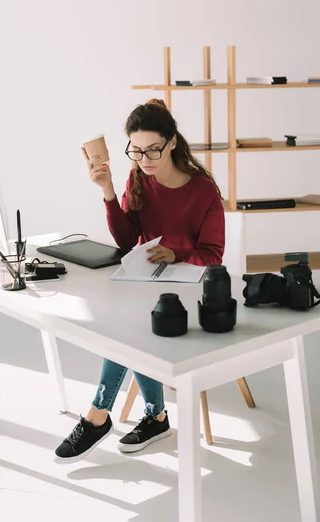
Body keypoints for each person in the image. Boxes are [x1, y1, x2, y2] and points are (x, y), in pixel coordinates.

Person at [55, 99, 225, 463]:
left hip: (189, 294)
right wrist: (108, 191)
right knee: (127, 322)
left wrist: (177, 255)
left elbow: (213, 256)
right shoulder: (139, 176)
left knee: (126, 328)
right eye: (136, 150)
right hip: (146, 287)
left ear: (173, 142)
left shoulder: (203, 191)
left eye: (152, 150)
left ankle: (98, 414)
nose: (144, 159)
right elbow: (125, 240)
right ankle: (156, 416)